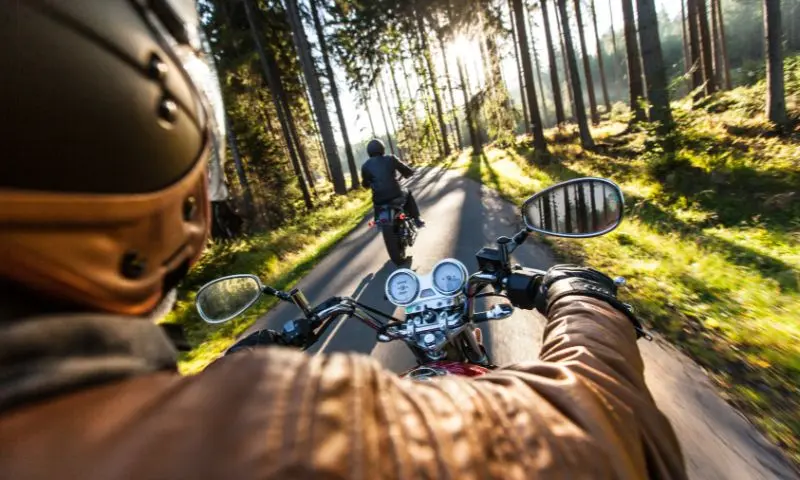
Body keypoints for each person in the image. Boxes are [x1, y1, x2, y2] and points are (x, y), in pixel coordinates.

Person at [0, 1, 687, 479]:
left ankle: (401, 230)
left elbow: (382, 186)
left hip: (381, 207)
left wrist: (252, 347)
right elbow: (605, 434)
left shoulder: (370, 166)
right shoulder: (277, 437)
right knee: (406, 204)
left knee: (398, 207)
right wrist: (584, 297)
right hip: (404, 213)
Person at [361, 139, 425, 228]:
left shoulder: (365, 166)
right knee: (408, 192)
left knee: (377, 204)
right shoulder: (390, 158)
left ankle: (378, 220)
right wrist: (409, 172)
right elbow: (405, 169)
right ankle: (417, 219)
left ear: (369, 152)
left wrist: (368, 184)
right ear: (382, 148)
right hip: (396, 194)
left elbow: (365, 184)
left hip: (379, 200)